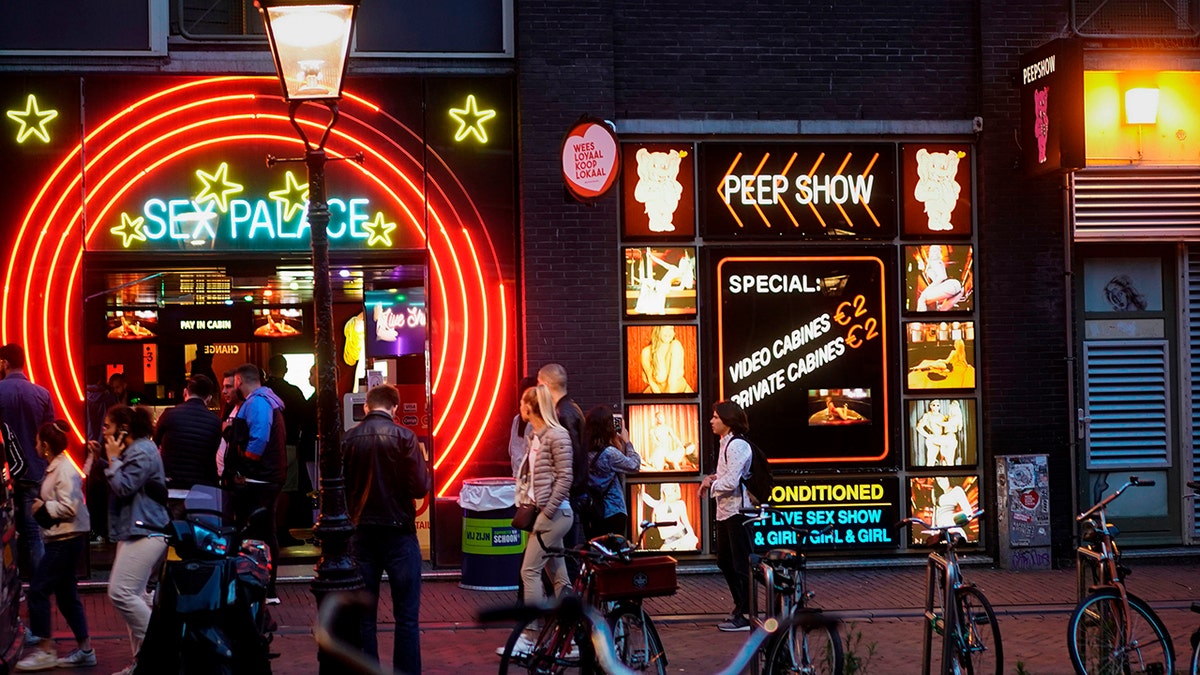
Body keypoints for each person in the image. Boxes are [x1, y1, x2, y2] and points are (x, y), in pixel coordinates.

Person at [342, 384, 430, 674]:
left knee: (364, 618)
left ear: (366, 407)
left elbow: (336, 487)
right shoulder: (405, 437)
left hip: (361, 533)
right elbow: (419, 486)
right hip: (399, 532)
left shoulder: (349, 439)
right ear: (394, 408)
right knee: (406, 616)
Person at [88, 404, 170, 675]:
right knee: (134, 595)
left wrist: (112, 460)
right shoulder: (135, 451)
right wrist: (104, 459)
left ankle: (161, 648)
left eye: (107, 426)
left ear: (124, 430)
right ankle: (143, 663)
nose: (104, 430)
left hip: (146, 530)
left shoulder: (142, 451)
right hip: (136, 530)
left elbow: (124, 485)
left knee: (120, 592)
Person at [15, 420, 95, 671]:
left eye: (38, 441)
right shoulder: (57, 467)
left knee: (38, 589)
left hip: (65, 540)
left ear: (46, 446)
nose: (36, 445)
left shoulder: (63, 469)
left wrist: (42, 507)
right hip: (61, 539)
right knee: (66, 596)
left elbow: (70, 506)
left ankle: (45, 649)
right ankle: (85, 649)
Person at [511, 384, 574, 655]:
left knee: (529, 570)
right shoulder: (535, 436)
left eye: (523, 403)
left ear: (530, 407)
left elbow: (565, 477)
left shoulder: (557, 435)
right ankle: (573, 636)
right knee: (559, 576)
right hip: (544, 513)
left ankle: (529, 635)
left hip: (555, 515)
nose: (520, 407)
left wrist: (546, 512)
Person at [229, 363, 287, 605]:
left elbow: (259, 437)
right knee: (264, 530)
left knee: (256, 531)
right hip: (267, 476)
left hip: (260, 478)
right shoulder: (268, 401)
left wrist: (245, 464)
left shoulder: (257, 402)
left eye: (233, 382)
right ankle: (263, 584)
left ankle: (261, 585)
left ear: (239, 380)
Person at [0, 343, 55, 577]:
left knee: (6, 533)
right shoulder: (42, 394)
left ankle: (11, 585)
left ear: (5, 363)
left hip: (5, 475)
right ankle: (41, 584)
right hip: (35, 470)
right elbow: (51, 436)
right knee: (34, 534)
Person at [699, 399, 753, 632]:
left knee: (741, 563)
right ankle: (741, 606)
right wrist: (712, 478)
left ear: (728, 421)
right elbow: (726, 475)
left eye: (716, 417)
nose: (711, 420)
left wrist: (711, 486)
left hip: (738, 511)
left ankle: (746, 613)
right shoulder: (725, 443)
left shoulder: (737, 446)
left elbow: (731, 482)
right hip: (725, 511)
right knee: (724, 561)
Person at [154, 375, 221, 519]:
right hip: (201, 489)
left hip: (172, 487)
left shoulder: (169, 415)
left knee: (173, 535)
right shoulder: (215, 421)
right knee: (198, 535)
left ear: (185, 392)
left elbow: (154, 445)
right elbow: (212, 455)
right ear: (209, 398)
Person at [536, 364, 586, 556]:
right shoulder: (571, 409)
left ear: (546, 385)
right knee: (562, 552)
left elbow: (567, 462)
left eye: (539, 384)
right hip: (572, 493)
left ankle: (565, 586)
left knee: (561, 552)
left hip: (567, 496)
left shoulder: (561, 415)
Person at [263, 354, 307, 548]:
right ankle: (281, 529)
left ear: (268, 368)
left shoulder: (262, 393)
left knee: (266, 487)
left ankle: (267, 528)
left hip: (263, 447)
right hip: (288, 445)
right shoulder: (293, 392)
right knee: (286, 489)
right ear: (286, 370)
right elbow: (304, 418)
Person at [581, 405, 640, 539]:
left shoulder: (582, 451)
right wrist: (627, 441)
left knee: (596, 553)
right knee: (614, 553)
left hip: (591, 511)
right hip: (613, 510)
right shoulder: (610, 454)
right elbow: (634, 466)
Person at [637, 482, 698, 551]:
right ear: (663, 491)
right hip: (668, 543)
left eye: (672, 488)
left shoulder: (679, 504)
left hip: (683, 540)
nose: (669, 492)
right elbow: (643, 495)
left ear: (675, 490)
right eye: (666, 489)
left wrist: (692, 537)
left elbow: (686, 522)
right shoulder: (658, 505)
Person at [640, 325, 693, 393]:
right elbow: (652, 382)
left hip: (680, 394)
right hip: (656, 393)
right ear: (657, 330)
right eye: (665, 328)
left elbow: (672, 381)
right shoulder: (646, 352)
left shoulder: (675, 346)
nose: (669, 332)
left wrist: (669, 401)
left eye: (671, 328)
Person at [507, 376, 538, 478]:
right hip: (528, 477)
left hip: (520, 475)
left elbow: (512, 449)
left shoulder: (518, 420)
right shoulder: (531, 422)